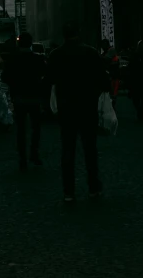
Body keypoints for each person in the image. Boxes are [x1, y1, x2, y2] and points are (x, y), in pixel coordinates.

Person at [47, 21, 111, 203]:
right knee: (90, 148)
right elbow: (103, 79)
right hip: (87, 106)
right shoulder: (90, 52)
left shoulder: (56, 55)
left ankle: (69, 191)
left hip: (66, 107)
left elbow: (49, 79)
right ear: (79, 32)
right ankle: (93, 187)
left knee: (67, 149)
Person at [1, 31, 46, 171]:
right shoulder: (37, 59)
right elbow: (45, 74)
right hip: (34, 97)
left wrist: (15, 85)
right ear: (31, 44)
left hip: (19, 97)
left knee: (21, 130)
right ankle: (34, 153)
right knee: (36, 128)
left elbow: (5, 77)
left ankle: (22, 158)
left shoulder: (12, 59)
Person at [126, 41, 143, 121]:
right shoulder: (134, 56)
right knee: (136, 98)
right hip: (136, 80)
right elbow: (130, 67)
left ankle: (142, 111)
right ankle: (140, 110)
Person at [100, 38, 121, 109]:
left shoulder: (111, 50)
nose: (102, 47)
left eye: (103, 45)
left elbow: (106, 59)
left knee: (113, 92)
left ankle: (112, 105)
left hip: (113, 75)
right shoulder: (105, 52)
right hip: (110, 75)